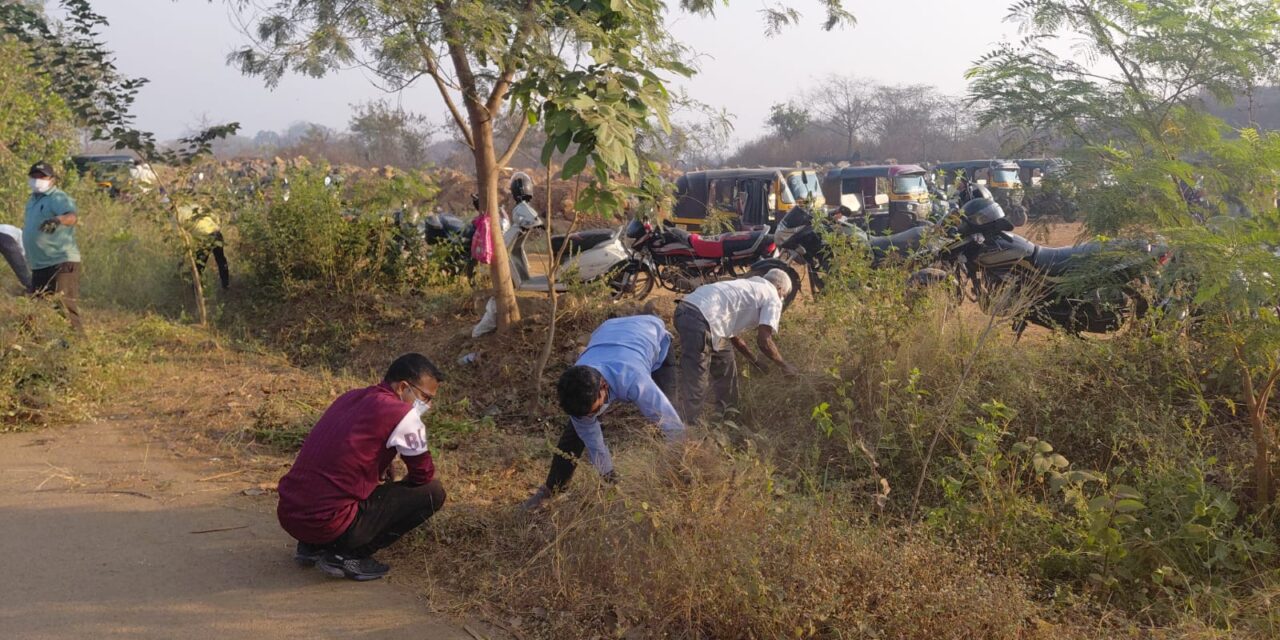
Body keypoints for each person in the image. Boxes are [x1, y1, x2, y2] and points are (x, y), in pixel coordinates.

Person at [276, 353, 447, 581]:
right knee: (432, 492)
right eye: (425, 397)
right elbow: (422, 474)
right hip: (327, 523)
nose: (428, 405)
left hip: (290, 515)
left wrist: (379, 463)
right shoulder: (403, 414)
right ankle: (346, 555)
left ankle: (312, 547)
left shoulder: (351, 397)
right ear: (403, 387)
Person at [520, 314, 683, 510]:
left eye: (594, 410)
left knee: (665, 418)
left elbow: (673, 426)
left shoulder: (634, 379)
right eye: (586, 414)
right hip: (609, 333)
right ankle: (551, 489)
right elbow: (593, 441)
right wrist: (609, 478)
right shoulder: (577, 384)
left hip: (651, 336)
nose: (590, 417)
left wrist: (685, 460)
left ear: (604, 386)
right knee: (574, 433)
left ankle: (673, 484)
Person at [674, 269, 797, 424]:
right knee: (697, 376)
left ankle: (727, 417)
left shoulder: (750, 285)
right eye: (784, 295)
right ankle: (687, 429)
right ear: (780, 289)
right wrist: (784, 365)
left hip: (685, 311)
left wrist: (754, 361)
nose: (782, 299)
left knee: (726, 363)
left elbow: (733, 335)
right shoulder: (772, 295)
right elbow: (764, 341)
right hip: (701, 320)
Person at [23, 161, 82, 331]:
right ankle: (28, 348)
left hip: (61, 261)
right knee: (33, 310)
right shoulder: (33, 200)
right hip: (40, 264)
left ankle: (80, 348)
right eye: (34, 176)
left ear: (52, 179)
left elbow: (72, 217)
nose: (37, 180)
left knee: (63, 306)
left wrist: (57, 220)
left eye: (42, 176)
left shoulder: (57, 197)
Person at [176, 203, 230, 289]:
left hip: (204, 238)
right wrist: (217, 226)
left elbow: (180, 235)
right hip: (216, 233)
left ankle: (196, 291)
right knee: (221, 260)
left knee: (199, 266)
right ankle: (226, 286)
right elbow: (214, 216)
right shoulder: (194, 206)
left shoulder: (177, 216)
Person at [0, 223, 31, 291]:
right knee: (19, 265)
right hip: (5, 237)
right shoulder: (21, 234)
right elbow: (22, 255)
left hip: (4, 235)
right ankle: (30, 286)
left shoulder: (14, 230)